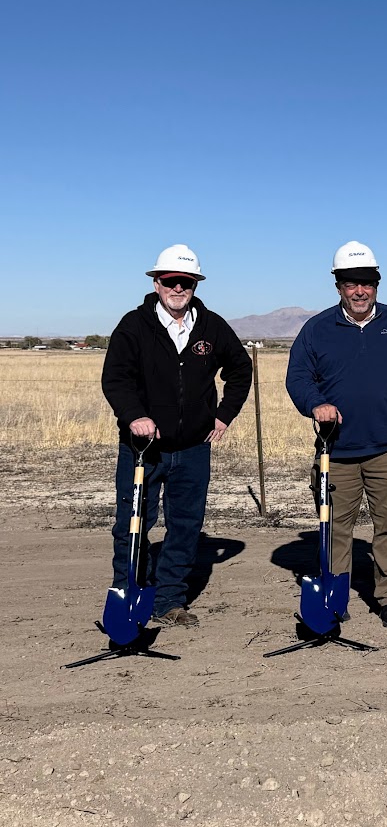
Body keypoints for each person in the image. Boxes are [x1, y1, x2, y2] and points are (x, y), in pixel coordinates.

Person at [285, 241, 387, 629]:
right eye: (351, 283)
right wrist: (315, 404)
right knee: (335, 526)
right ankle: (335, 596)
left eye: (367, 283)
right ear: (338, 285)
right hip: (335, 451)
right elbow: (298, 377)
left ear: (377, 285)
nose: (359, 291)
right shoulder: (317, 328)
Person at [100, 245, 252, 627]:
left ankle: (168, 601)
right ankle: (130, 595)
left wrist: (224, 415)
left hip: (194, 449)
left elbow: (239, 369)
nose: (178, 288)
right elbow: (115, 378)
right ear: (156, 282)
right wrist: (135, 416)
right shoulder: (134, 326)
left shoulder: (211, 326)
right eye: (171, 281)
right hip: (143, 449)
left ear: (195, 284)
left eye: (186, 282)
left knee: (185, 526)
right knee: (134, 522)